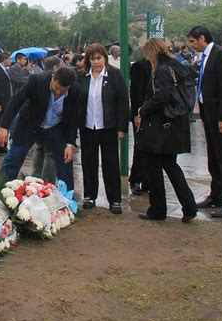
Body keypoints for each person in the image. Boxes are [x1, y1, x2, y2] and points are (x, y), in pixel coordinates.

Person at [135, 38, 197, 222]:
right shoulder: (176, 65)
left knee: (153, 168)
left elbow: (160, 97)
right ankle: (189, 206)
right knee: (171, 166)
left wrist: (142, 110)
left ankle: (158, 209)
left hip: (161, 127)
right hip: (174, 125)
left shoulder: (161, 70)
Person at [188, 26, 222, 217]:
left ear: (202, 38)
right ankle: (216, 195)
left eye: (193, 42)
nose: (192, 46)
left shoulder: (220, 56)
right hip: (208, 116)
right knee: (214, 158)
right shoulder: (205, 57)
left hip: (221, 118)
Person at [0, 66, 79, 191]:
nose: (58, 93)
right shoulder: (37, 80)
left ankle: (66, 197)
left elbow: (74, 118)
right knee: (14, 156)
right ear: (53, 77)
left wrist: (69, 143)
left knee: (65, 160)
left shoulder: (76, 91)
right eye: (56, 88)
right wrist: (4, 127)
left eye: (63, 91)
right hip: (30, 124)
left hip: (56, 127)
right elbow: (16, 101)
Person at [78, 43, 129, 214]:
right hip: (88, 127)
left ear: (105, 58)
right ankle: (89, 195)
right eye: (92, 59)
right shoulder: (83, 76)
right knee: (88, 162)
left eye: (99, 58)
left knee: (110, 163)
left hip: (108, 126)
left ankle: (114, 199)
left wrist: (122, 126)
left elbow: (123, 101)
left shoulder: (114, 75)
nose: (96, 62)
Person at [31, 55, 63, 184]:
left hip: (38, 123)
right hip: (50, 125)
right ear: (55, 68)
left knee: (39, 150)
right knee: (50, 154)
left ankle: (35, 180)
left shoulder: (37, 78)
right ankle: (47, 184)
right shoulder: (52, 81)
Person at [128, 57, 152, 195]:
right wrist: (137, 114)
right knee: (140, 147)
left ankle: (148, 180)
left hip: (154, 114)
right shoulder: (139, 66)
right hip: (141, 112)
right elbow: (135, 92)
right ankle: (136, 178)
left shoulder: (161, 66)